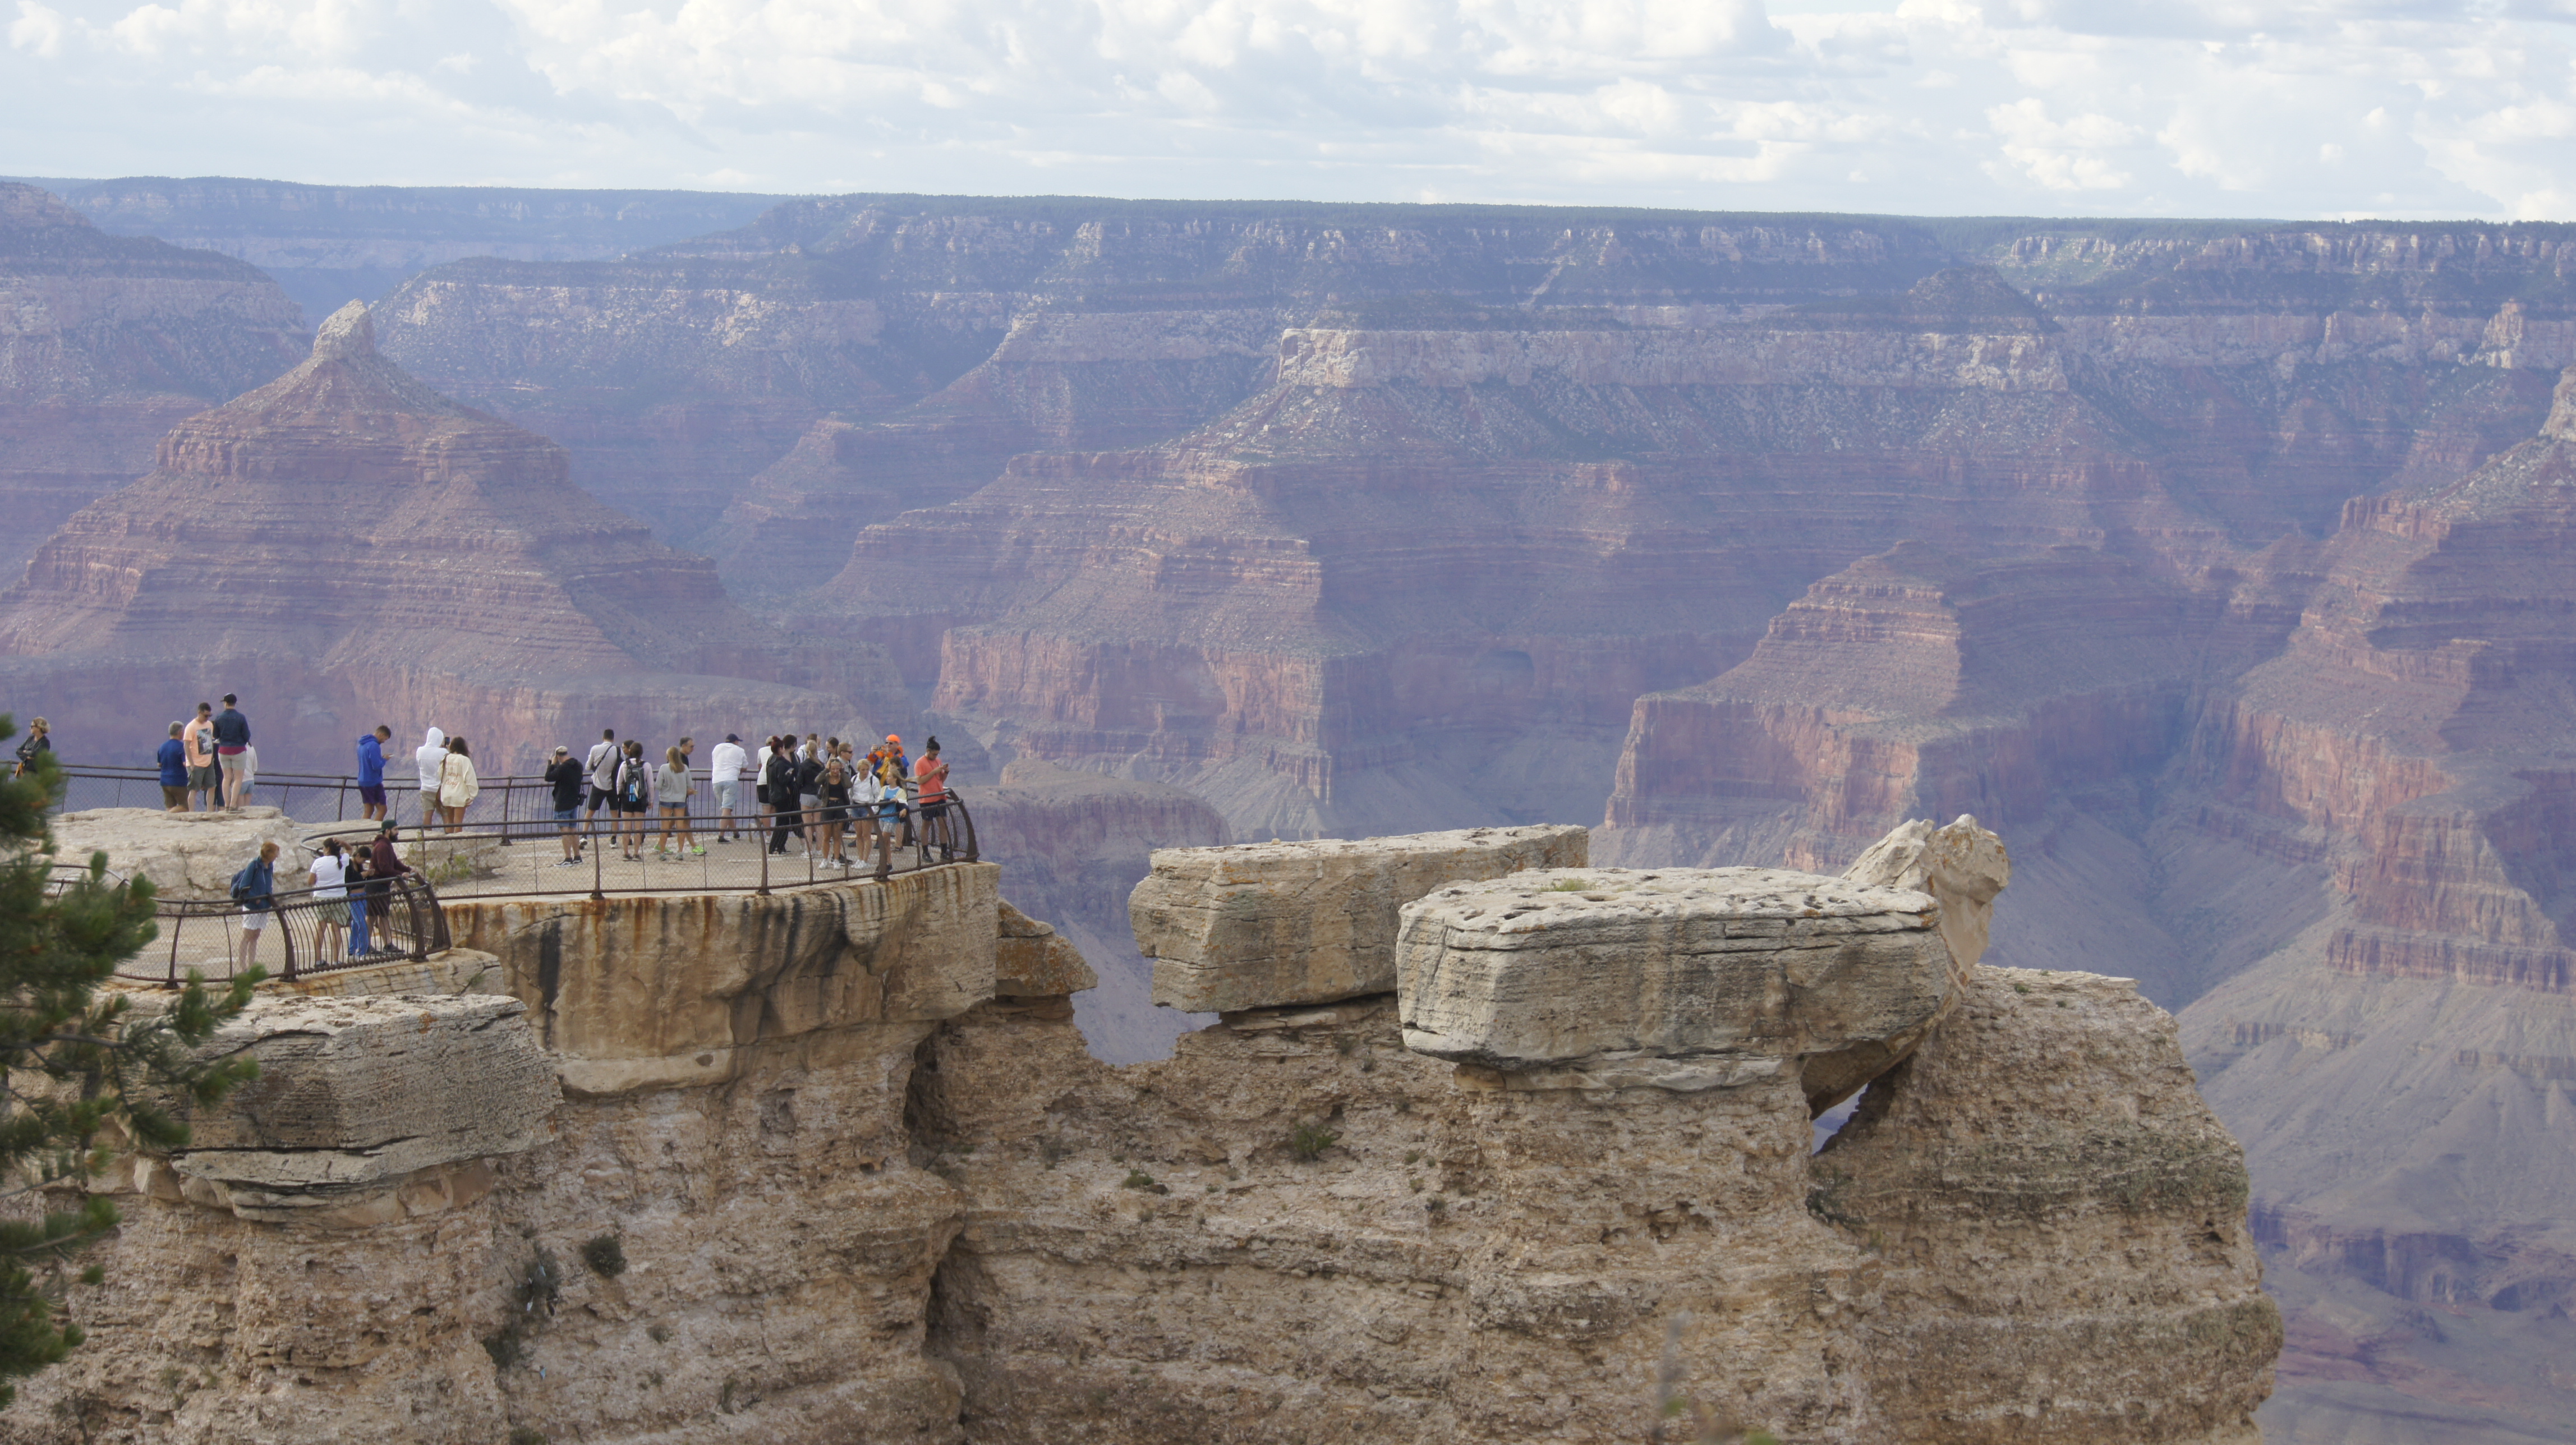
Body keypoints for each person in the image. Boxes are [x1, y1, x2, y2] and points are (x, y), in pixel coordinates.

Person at [230, 839, 278, 973]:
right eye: (275, 853)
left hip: (264, 905)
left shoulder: (270, 866)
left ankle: (252, 966)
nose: (277, 856)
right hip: (253, 906)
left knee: (256, 936)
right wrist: (255, 898)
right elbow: (244, 885)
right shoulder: (254, 865)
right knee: (247, 935)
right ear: (269, 854)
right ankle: (243, 967)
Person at [308, 839, 350, 967]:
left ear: (327, 849)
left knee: (321, 929)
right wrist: (343, 842)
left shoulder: (318, 862)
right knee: (336, 930)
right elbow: (351, 850)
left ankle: (318, 960)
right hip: (339, 898)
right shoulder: (343, 860)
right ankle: (336, 960)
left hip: (322, 898)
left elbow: (310, 881)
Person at [367, 822, 409, 946]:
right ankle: (368, 945)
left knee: (381, 916)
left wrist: (408, 869)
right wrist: (400, 874)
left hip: (382, 885)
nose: (397, 832)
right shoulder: (382, 847)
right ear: (387, 831)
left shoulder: (387, 845)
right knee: (373, 917)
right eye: (395, 829)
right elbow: (384, 867)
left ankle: (387, 944)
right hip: (377, 885)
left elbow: (394, 862)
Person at [544, 744, 586, 866]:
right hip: (574, 801)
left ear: (558, 757)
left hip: (563, 803)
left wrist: (552, 764)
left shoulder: (563, 769)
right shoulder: (578, 765)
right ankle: (578, 857)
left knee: (565, 831)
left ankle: (568, 859)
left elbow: (548, 777)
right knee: (573, 829)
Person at [654, 745, 693, 860]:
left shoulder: (664, 768)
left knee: (665, 827)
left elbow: (658, 786)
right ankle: (680, 852)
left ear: (668, 756)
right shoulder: (685, 768)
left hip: (666, 800)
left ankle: (662, 852)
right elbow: (690, 786)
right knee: (680, 826)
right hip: (680, 800)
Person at [914, 735, 953, 857]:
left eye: (937, 754)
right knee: (927, 825)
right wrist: (933, 772)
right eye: (934, 754)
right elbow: (920, 781)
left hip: (940, 797)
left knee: (943, 824)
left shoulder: (938, 761)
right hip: (927, 799)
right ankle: (925, 852)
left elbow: (941, 779)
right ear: (928, 751)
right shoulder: (920, 763)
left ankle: (944, 851)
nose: (936, 757)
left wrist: (945, 772)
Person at [210, 694, 250, 807]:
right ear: (235, 703)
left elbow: (216, 735)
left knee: (226, 777)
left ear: (226, 703)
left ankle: (226, 804)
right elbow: (247, 735)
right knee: (238, 778)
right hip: (238, 750)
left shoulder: (219, 718)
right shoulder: (241, 718)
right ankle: (233, 804)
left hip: (223, 750)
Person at [615, 740, 651, 861]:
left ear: (630, 752)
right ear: (641, 753)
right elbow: (650, 785)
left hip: (627, 797)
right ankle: (636, 853)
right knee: (638, 828)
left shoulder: (624, 765)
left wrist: (620, 795)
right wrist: (651, 800)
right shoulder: (646, 765)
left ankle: (626, 853)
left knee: (626, 827)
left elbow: (619, 783)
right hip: (640, 799)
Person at [764, 742, 801, 855]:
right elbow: (782, 780)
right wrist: (790, 775)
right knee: (783, 822)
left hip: (774, 794)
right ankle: (776, 847)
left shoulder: (771, 761)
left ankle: (779, 847)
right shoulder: (780, 764)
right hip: (782, 795)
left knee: (782, 821)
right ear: (780, 749)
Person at [437, 736, 479, 834]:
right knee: (458, 823)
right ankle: (457, 844)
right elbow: (470, 778)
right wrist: (472, 795)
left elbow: (440, 774)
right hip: (459, 794)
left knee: (450, 822)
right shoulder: (464, 760)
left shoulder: (446, 758)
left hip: (447, 793)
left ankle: (449, 843)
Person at [710, 733, 747, 843]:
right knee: (727, 808)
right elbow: (745, 767)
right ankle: (721, 836)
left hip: (716, 780)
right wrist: (738, 771)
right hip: (731, 780)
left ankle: (735, 833)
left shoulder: (717, 748)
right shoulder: (739, 750)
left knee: (726, 808)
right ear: (736, 742)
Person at [816, 757, 852, 868]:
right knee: (827, 836)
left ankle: (836, 859)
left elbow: (848, 785)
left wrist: (842, 772)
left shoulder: (842, 778)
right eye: (833, 769)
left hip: (839, 806)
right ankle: (825, 860)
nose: (835, 771)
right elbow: (817, 780)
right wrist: (826, 770)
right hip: (828, 806)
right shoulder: (826, 778)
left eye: (837, 769)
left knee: (837, 836)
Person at [584, 729, 619, 839]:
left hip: (598, 785)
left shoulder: (595, 749)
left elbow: (588, 767)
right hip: (613, 786)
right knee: (615, 813)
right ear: (613, 739)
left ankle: (584, 836)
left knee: (590, 811)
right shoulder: (618, 751)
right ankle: (614, 839)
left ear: (603, 738)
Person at [183, 702, 217, 812]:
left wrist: (211, 758)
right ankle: (192, 813)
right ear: (199, 713)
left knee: (212, 787)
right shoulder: (191, 727)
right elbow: (186, 746)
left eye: (209, 716)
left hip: (208, 762)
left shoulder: (209, 725)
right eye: (205, 716)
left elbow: (210, 741)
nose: (207, 718)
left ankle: (209, 812)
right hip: (196, 763)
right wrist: (192, 764)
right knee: (194, 789)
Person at [356, 725, 392, 821]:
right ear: (381, 735)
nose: (384, 741)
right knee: (382, 809)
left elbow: (368, 761)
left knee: (369, 810)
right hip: (373, 782)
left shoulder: (362, 744)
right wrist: (385, 760)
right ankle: (376, 832)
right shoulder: (374, 745)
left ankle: (362, 831)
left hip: (363, 781)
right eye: (385, 739)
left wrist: (380, 759)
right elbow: (376, 766)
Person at [414, 726, 447, 830]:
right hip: (440, 790)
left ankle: (427, 838)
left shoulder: (419, 751)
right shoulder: (443, 752)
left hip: (426, 788)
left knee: (427, 815)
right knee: (446, 815)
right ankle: (450, 837)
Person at [344, 845, 373, 959]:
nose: (364, 862)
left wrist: (368, 875)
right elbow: (350, 880)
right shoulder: (349, 865)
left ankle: (351, 951)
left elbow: (361, 879)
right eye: (363, 859)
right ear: (358, 855)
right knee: (362, 923)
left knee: (356, 925)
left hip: (362, 895)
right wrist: (362, 875)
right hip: (353, 897)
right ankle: (362, 951)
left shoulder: (359, 865)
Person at [157, 722, 189, 811]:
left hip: (164, 781)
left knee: (169, 806)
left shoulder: (162, 746)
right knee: (186, 807)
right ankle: (169, 814)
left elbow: (159, 764)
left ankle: (168, 815)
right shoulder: (182, 747)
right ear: (180, 732)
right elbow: (185, 763)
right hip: (179, 782)